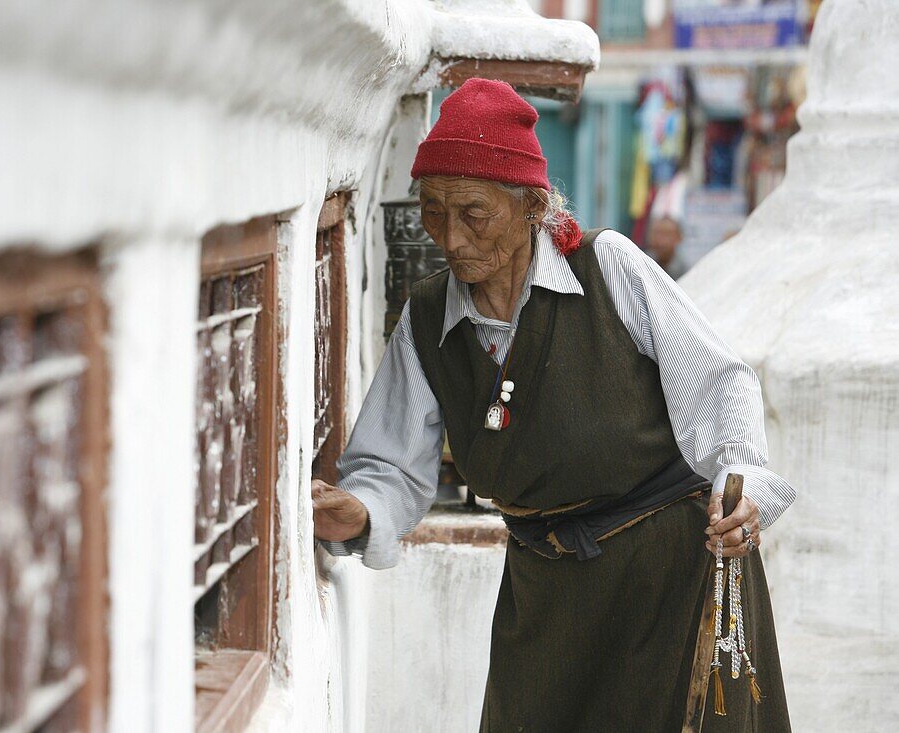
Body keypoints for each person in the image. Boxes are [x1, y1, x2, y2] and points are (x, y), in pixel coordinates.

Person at [312, 78, 794, 732]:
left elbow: (719, 382)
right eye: (433, 210)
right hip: (545, 598)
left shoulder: (607, 268)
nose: (449, 238)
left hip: (669, 579)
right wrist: (361, 510)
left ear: (530, 205)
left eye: (473, 213)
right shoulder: (428, 319)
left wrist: (745, 486)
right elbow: (394, 465)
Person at [647, 214, 688, 279]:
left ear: (679, 238)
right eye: (658, 234)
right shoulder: (642, 265)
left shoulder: (686, 273)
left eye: (668, 235)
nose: (662, 241)